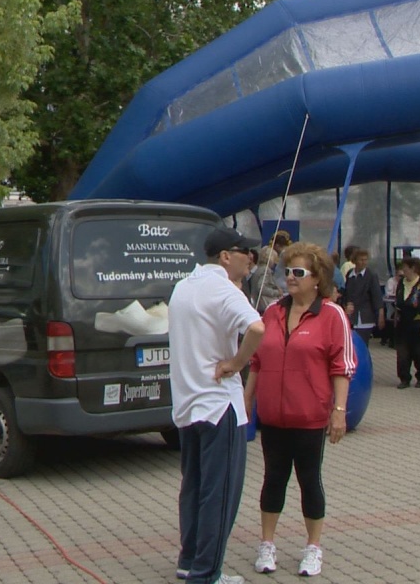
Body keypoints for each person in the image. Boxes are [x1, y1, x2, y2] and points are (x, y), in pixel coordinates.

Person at [244, 242, 355, 577]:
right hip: (273, 417)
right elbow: (257, 361)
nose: (290, 277)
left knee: (309, 480)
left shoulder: (332, 315)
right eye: (287, 271)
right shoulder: (273, 312)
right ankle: (267, 543)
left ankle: (313, 547)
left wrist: (339, 410)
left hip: (309, 418)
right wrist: (246, 401)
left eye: (298, 272)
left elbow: (342, 366)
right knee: (272, 479)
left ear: (317, 278)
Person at [170, 226, 266, 584]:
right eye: (245, 253)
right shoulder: (224, 289)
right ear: (226, 256)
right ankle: (207, 573)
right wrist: (237, 363)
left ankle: (189, 559)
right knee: (220, 491)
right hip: (218, 404)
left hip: (187, 403)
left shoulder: (184, 286)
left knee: (194, 486)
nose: (251, 260)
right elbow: (257, 328)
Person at [392, 257, 420, 389]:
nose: (403, 270)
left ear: (412, 268)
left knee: (419, 352)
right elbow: (398, 302)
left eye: (405, 267)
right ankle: (404, 378)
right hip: (403, 324)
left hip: (419, 323)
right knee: (402, 354)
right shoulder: (401, 283)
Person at [342, 248, 384, 344]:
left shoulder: (371, 275)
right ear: (355, 261)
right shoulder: (350, 274)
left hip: (365, 317)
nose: (364, 262)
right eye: (361, 260)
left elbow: (377, 296)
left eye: (366, 260)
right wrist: (346, 305)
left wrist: (380, 316)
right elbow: (346, 294)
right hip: (351, 316)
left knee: (362, 343)